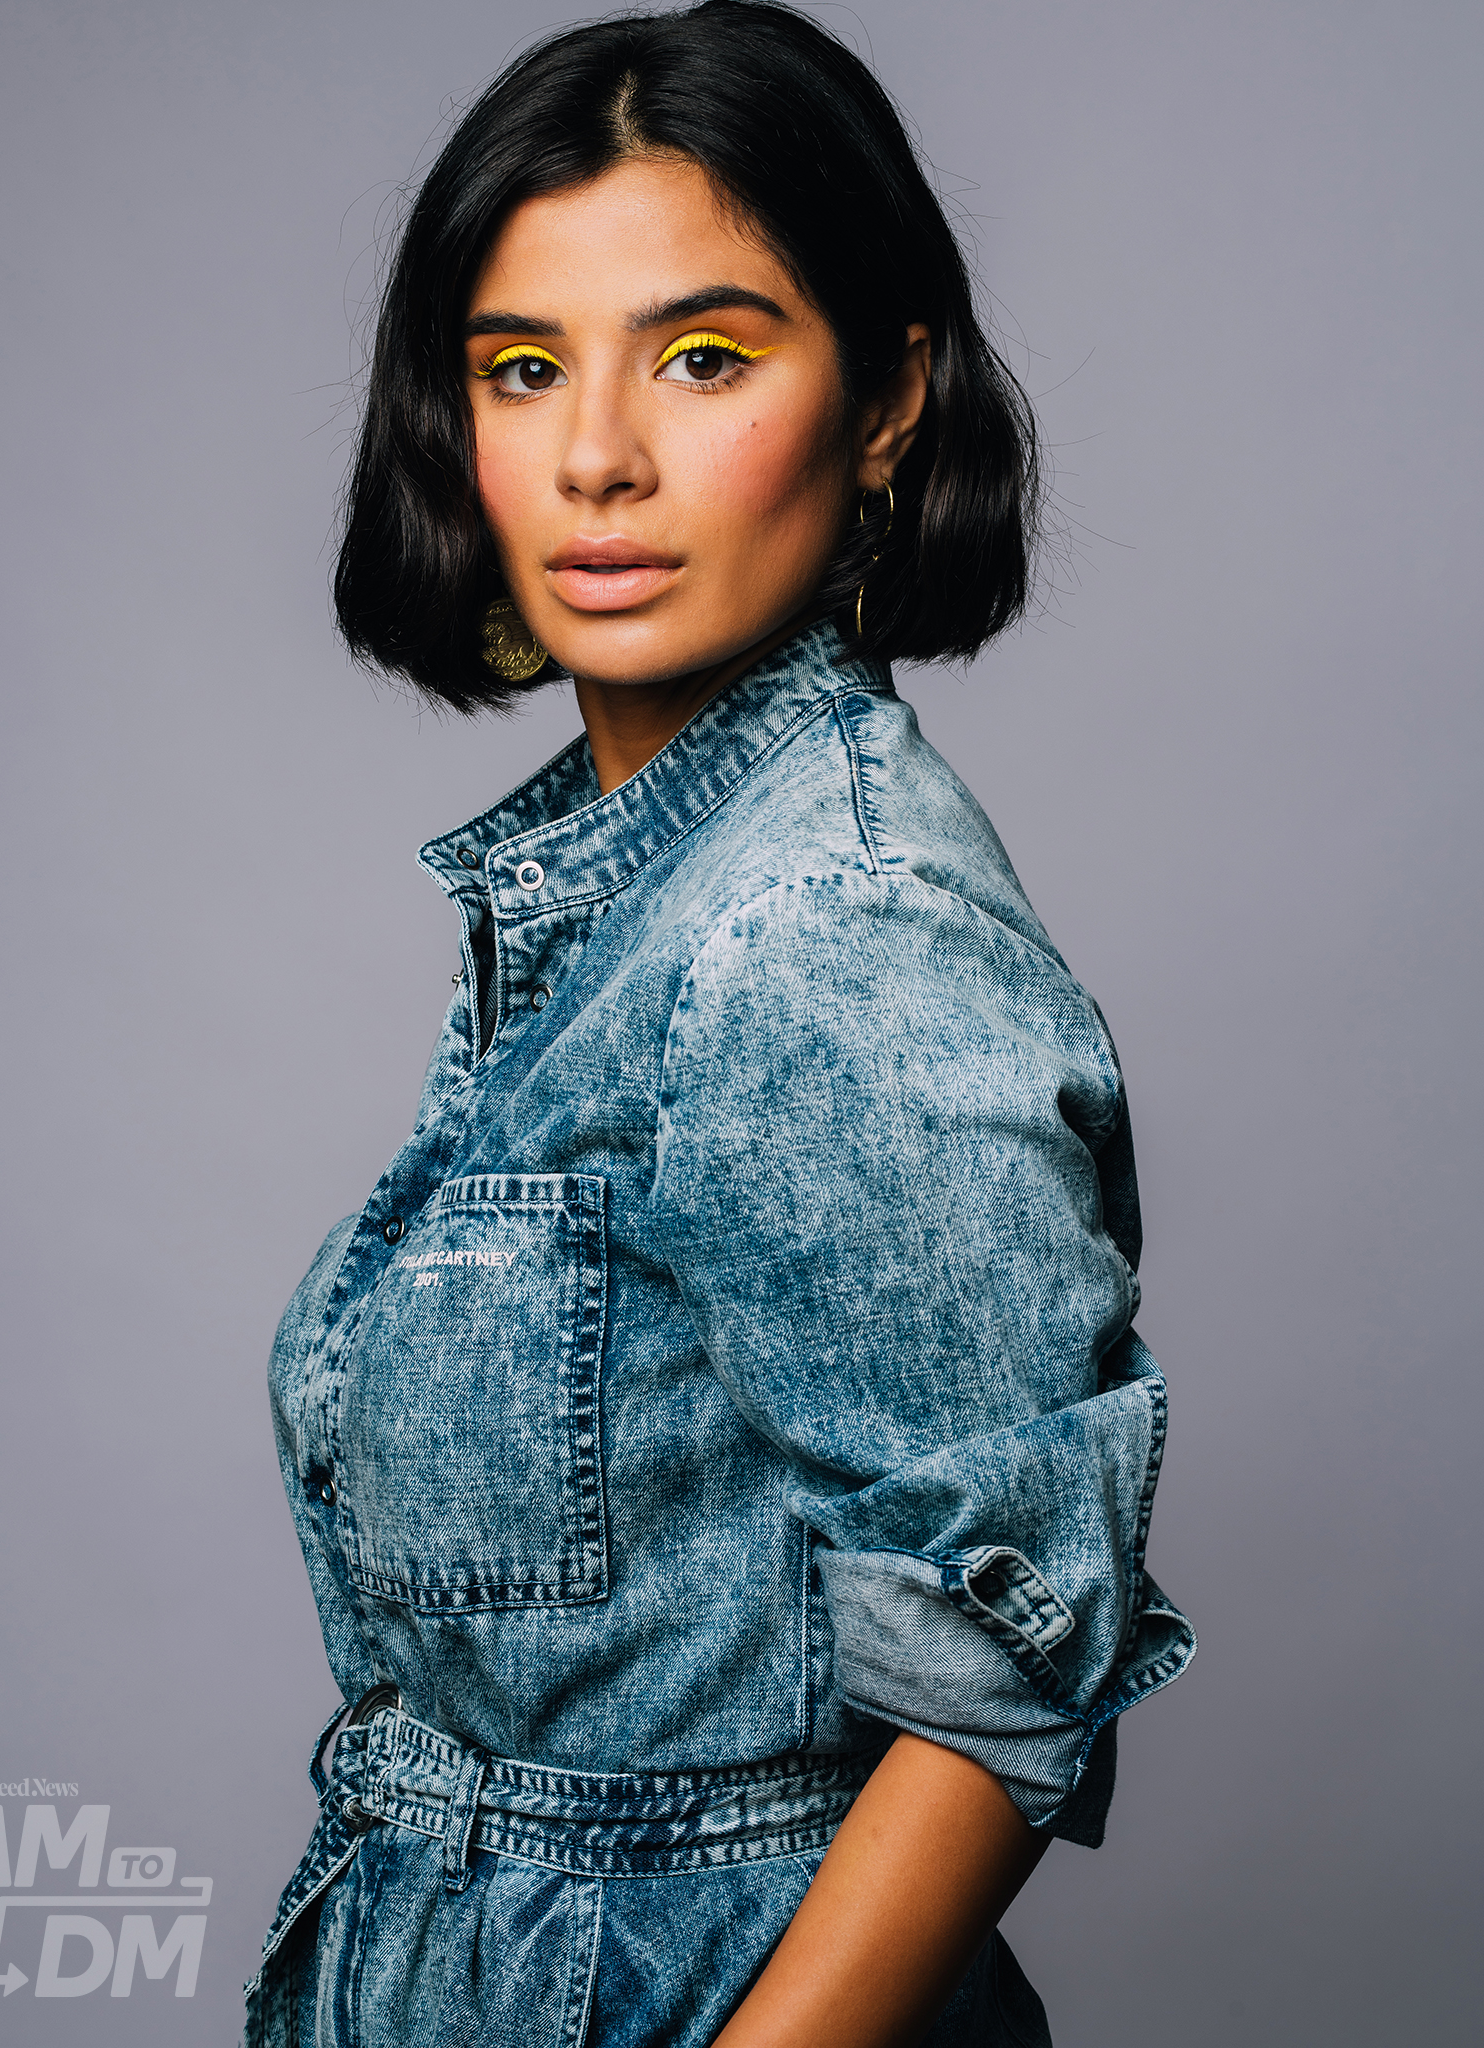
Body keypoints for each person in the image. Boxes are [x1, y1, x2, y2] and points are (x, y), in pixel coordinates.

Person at [245, 5, 1195, 2043]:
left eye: (703, 355)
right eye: (522, 367)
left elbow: (998, 1673)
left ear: (883, 398)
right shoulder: (630, 890)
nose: (596, 452)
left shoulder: (828, 917)